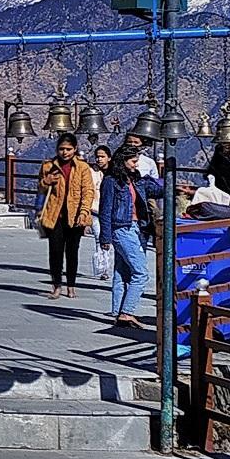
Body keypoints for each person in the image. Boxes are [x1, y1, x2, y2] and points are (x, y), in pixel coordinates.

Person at [98, 147, 164, 330]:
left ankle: (118, 312)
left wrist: (174, 184)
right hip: (121, 228)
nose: (136, 165)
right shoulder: (111, 182)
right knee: (141, 273)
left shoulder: (136, 180)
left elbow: (156, 189)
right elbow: (105, 210)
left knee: (122, 272)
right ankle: (127, 312)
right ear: (123, 161)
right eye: (133, 161)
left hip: (137, 228)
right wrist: (105, 237)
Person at [37, 132, 96, 298]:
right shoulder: (48, 166)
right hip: (54, 215)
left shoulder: (83, 168)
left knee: (72, 252)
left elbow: (88, 191)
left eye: (68, 149)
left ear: (75, 149)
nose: (65, 152)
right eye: (62, 149)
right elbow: (40, 188)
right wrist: (46, 182)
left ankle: (71, 285)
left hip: (76, 215)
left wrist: (84, 211)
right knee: (55, 251)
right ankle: (56, 285)